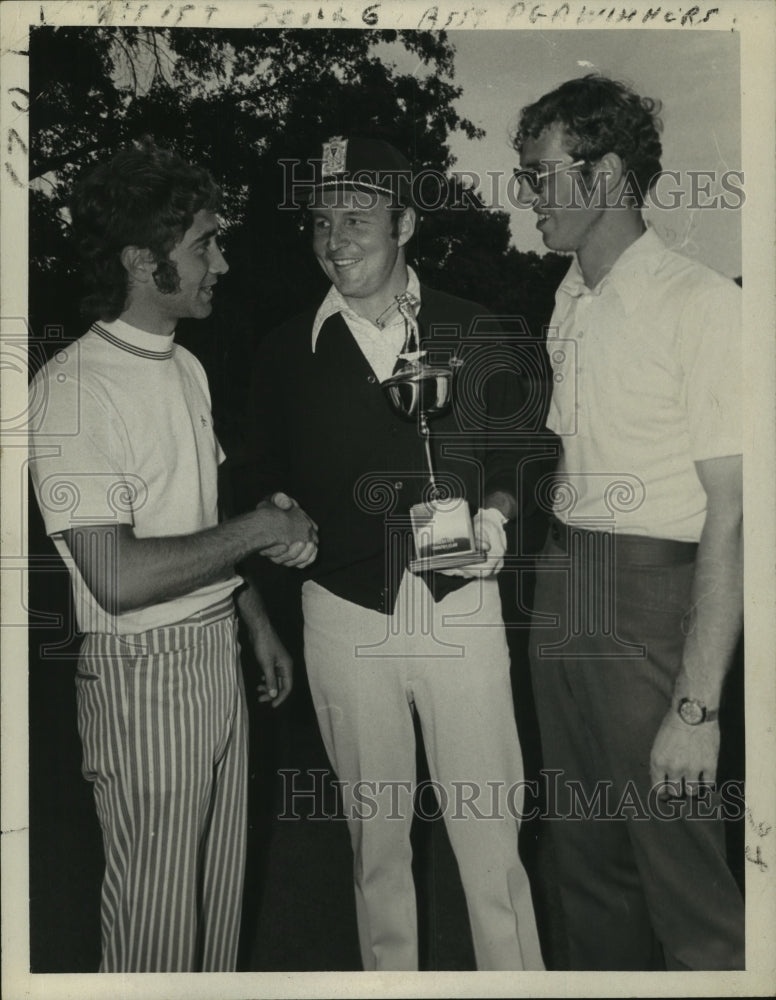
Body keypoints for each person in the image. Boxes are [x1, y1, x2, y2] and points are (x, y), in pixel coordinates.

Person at [249, 136, 545, 971]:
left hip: (459, 604)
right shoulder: (285, 349)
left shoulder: (474, 328)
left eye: (356, 215)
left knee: (492, 848)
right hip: (343, 616)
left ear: (406, 222)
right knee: (376, 852)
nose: (335, 237)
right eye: (319, 220)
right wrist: (279, 516)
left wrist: (493, 516)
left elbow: (521, 447)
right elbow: (263, 475)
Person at [28, 140, 318, 973]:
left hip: (212, 654)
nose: (220, 261)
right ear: (139, 259)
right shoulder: (76, 389)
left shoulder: (185, 366)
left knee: (214, 910)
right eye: (204, 245)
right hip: (142, 673)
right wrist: (263, 531)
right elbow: (118, 577)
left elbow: (200, 514)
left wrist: (250, 614)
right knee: (156, 923)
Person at [513, 75, 744, 969]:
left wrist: (697, 705)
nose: (528, 195)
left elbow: (733, 514)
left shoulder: (704, 305)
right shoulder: (568, 300)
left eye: (540, 174)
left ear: (603, 173)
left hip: (655, 598)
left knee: (681, 874)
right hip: (565, 586)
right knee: (586, 863)